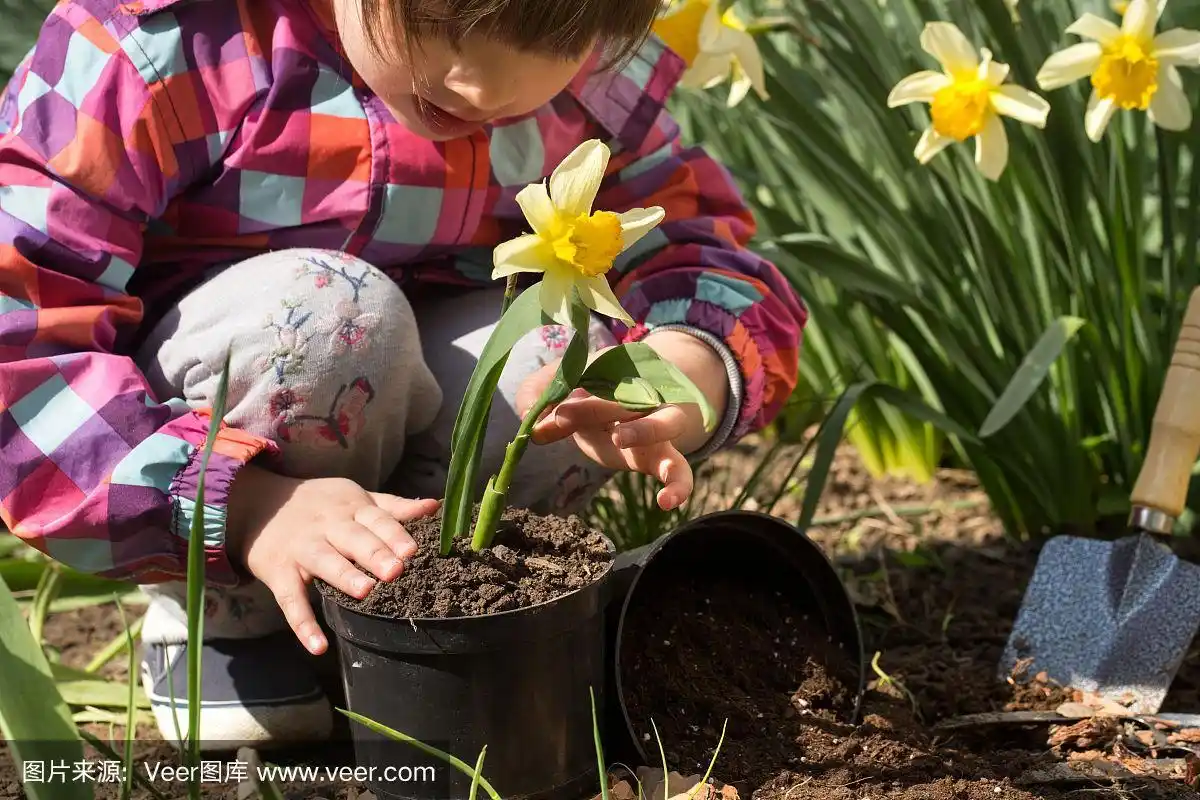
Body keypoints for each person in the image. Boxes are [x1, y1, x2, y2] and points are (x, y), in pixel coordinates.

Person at [0, 0, 807, 749]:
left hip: (422, 416)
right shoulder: (169, 49)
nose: (482, 87)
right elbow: (20, 333)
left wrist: (682, 366)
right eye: (432, 20)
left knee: (562, 353)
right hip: (222, 448)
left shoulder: (588, 83)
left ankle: (456, 603)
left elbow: (694, 240)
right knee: (329, 313)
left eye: (560, 44)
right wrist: (242, 503)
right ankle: (228, 619)